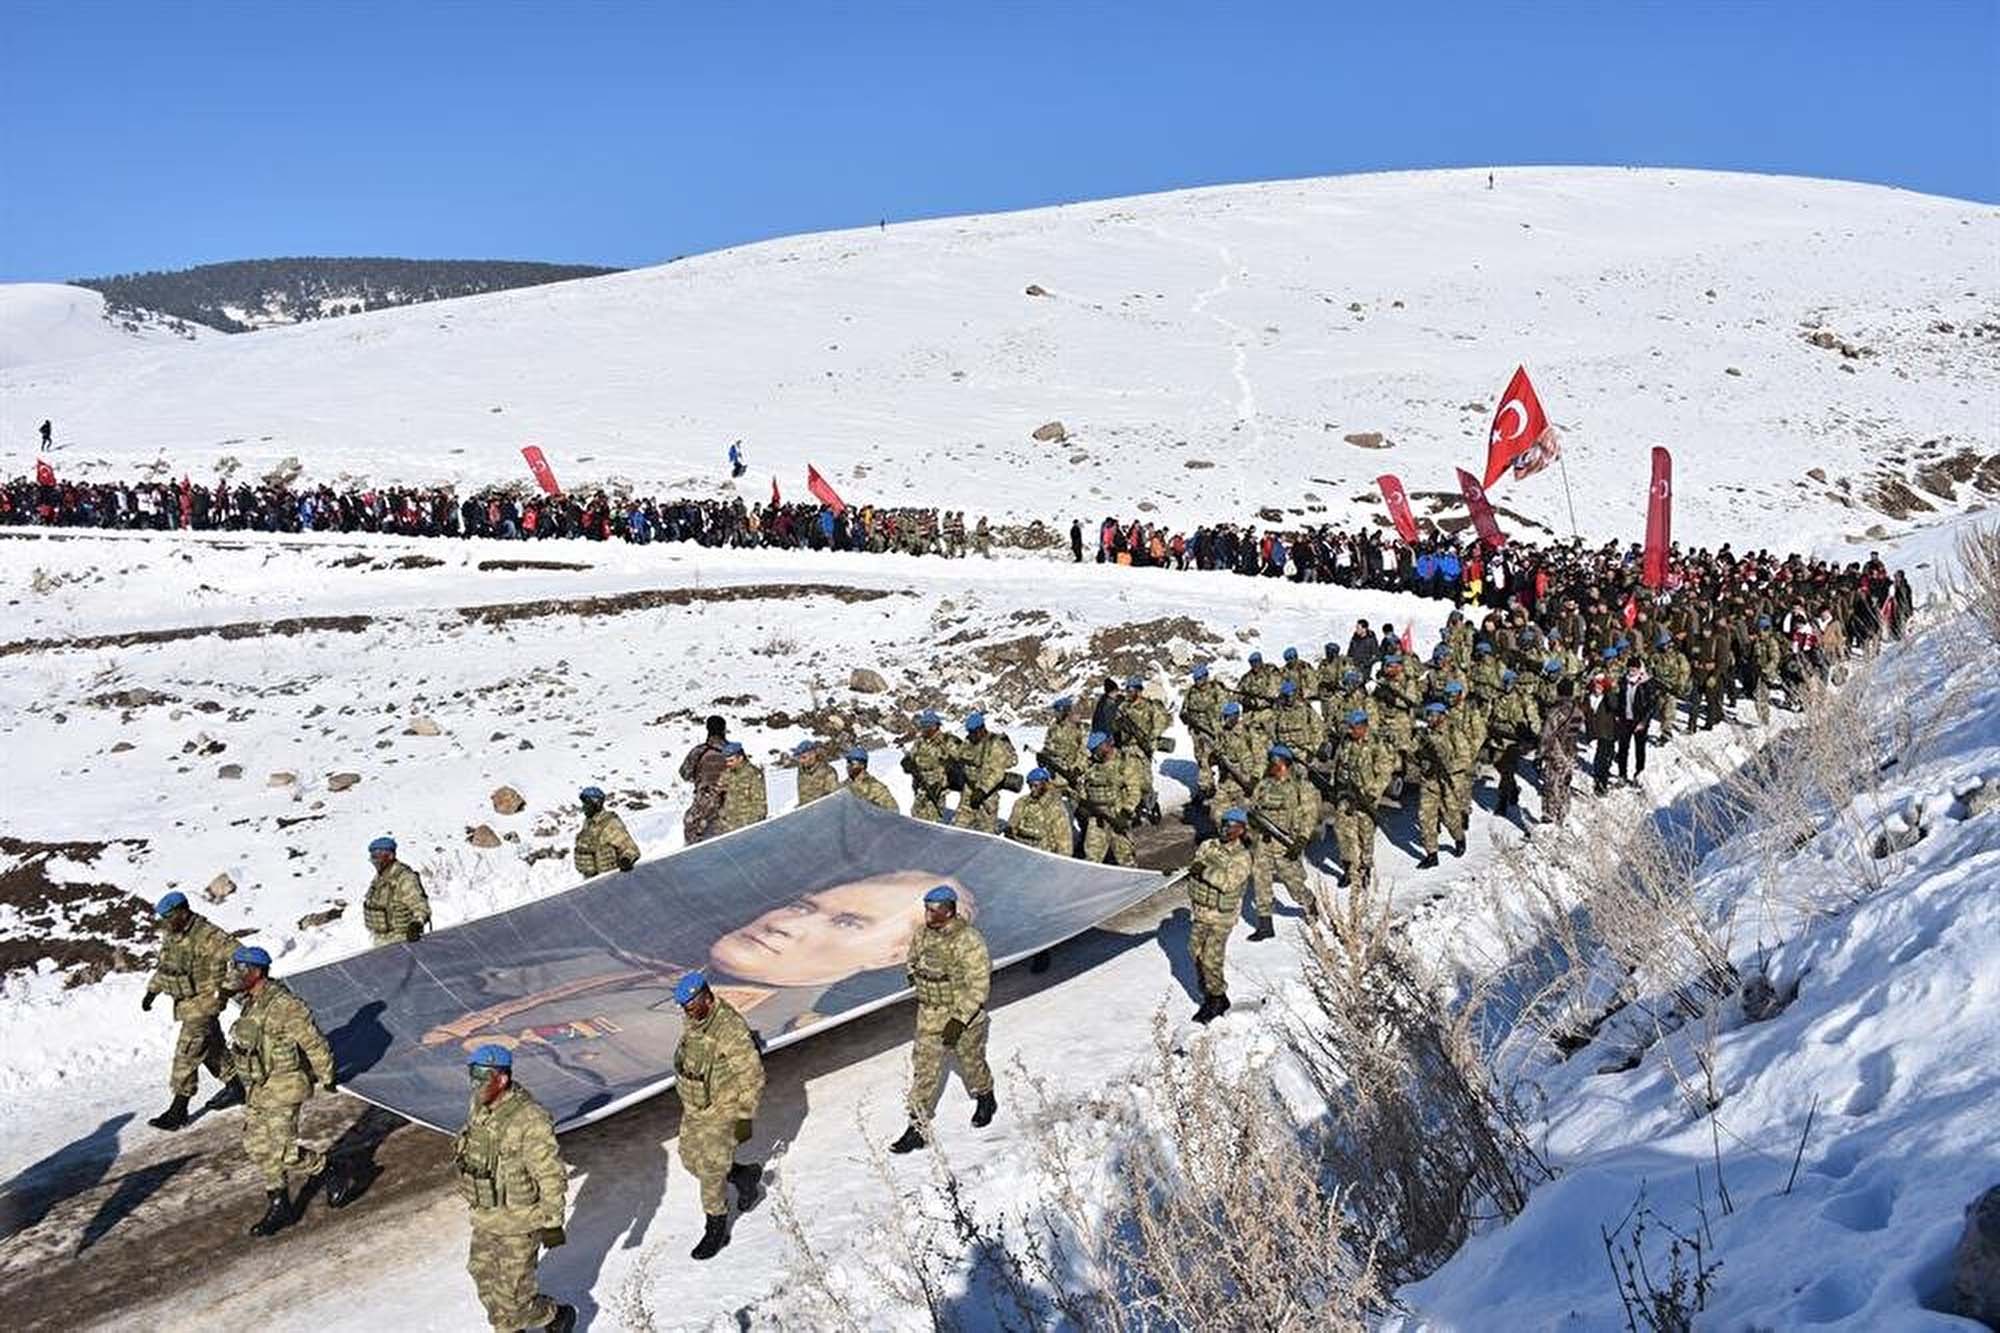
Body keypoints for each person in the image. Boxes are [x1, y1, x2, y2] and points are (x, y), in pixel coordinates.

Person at [454, 1045, 576, 1332]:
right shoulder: (479, 1104)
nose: (476, 1084)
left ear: (502, 1079)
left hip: (521, 1222)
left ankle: (556, 1316)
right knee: (484, 1280)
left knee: (513, 1302)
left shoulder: (530, 1119)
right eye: (473, 1075)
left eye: (483, 1077)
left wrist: (553, 1224)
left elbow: (550, 1175)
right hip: (486, 1216)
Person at [227, 945, 343, 1236]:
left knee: (284, 1151)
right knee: (256, 1145)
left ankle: (329, 1169)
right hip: (258, 1086)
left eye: (240, 969)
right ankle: (280, 1203)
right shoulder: (251, 1001)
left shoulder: (285, 1005)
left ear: (257, 972)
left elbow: (313, 1042)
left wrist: (326, 1075)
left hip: (285, 1084)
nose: (234, 974)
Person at [889, 885, 995, 1152]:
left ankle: (985, 1096)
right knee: (924, 1070)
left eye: (935, 910)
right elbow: (912, 959)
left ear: (950, 910)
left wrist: (959, 1020)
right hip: (929, 1014)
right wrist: (915, 975)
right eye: (927, 909)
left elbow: (979, 985)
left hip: (962, 1014)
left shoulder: (969, 940)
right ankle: (917, 1128)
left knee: (971, 1062)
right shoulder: (923, 935)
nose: (929, 914)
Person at [671, 971, 766, 1261]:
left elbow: (753, 1075)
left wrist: (745, 1117)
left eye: (689, 1005)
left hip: (723, 1108)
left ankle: (716, 1228)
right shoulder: (696, 1019)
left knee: (712, 1171)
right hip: (697, 1106)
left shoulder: (729, 1029)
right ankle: (744, 1175)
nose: (686, 1012)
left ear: (706, 998)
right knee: (690, 1159)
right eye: (684, 1007)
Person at [141, 890, 243, 1129]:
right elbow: (167, 966)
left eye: (168, 916)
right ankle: (238, 1085)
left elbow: (242, 957)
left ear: (182, 912)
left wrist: (225, 988)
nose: (165, 922)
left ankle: (178, 1110)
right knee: (211, 1048)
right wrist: (152, 992)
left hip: (205, 1004)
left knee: (188, 1052)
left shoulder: (208, 936)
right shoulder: (173, 934)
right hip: (187, 1003)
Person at [1185, 810, 1252, 1023]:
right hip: (1202, 911)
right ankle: (1214, 991)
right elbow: (1195, 864)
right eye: (1224, 823)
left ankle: (1215, 999)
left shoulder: (1242, 857)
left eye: (1231, 825)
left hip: (1222, 916)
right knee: (1194, 950)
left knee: (1211, 959)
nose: (1225, 828)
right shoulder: (1208, 845)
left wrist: (1204, 870)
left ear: (1241, 829)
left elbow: (1228, 882)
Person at [1246, 744, 1319, 934]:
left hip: (1286, 843)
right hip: (1263, 842)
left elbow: (1310, 814)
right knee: (1261, 882)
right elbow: (1253, 807)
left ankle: (1309, 902)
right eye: (1271, 761)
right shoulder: (1263, 785)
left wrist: (1302, 838)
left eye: (1276, 761)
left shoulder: (1300, 786)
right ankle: (1265, 925)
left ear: (1285, 763)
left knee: (1293, 884)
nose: (1272, 765)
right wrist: (1251, 824)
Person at [1326, 710, 1393, 889]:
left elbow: (1385, 773)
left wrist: (1373, 794)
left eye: (1353, 728)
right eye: (1349, 727)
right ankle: (1349, 868)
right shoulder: (1346, 741)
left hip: (1365, 797)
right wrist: (1334, 785)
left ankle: (1365, 868)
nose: (1350, 731)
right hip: (1345, 794)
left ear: (1363, 727)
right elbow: (1338, 763)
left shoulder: (1376, 744)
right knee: (1343, 831)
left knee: (1365, 833)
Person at [1414, 703, 1471, 868]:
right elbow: (1413, 751)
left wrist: (1447, 767)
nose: (1429, 718)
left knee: (1450, 817)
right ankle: (1431, 854)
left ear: (1442, 716)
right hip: (1429, 782)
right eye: (1428, 714)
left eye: (1433, 715)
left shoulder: (1454, 733)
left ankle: (1459, 838)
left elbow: (1465, 759)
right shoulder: (1424, 734)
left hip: (1447, 781)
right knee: (1425, 818)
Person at [953, 711, 1017, 833]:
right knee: (957, 829)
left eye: (974, 732)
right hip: (968, 793)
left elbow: (997, 773)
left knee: (986, 834)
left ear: (982, 729)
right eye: (970, 732)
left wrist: (982, 790)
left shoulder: (994, 744)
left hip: (987, 796)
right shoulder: (968, 742)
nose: (971, 736)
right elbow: (960, 756)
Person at [362, 835, 430, 947]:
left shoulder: (404, 878)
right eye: (373, 857)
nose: (375, 862)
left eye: (378, 857)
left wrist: (417, 923)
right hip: (381, 940)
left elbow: (420, 905)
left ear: (390, 856)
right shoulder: (380, 877)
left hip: (401, 940)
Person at [678, 716, 732, 844]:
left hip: (706, 799)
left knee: (691, 822)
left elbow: (684, 774)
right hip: (732, 797)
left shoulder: (699, 751)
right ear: (724, 730)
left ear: (707, 729)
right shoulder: (734, 750)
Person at [1538, 680, 1582, 826]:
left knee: (1551, 786)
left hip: (1555, 755)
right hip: (1569, 753)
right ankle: (1562, 817)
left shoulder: (1555, 711)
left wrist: (1540, 754)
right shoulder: (1577, 710)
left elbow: (1546, 734)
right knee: (1565, 785)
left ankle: (1549, 819)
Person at [1004, 767, 1073, 856]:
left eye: (1036, 785)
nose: (1032, 789)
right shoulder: (1022, 802)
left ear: (1045, 784)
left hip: (1043, 857)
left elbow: (1064, 840)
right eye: (1030, 786)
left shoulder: (1055, 807)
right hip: (1020, 853)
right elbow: (1012, 828)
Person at [572, 786, 640, 877]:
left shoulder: (610, 824)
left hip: (610, 879)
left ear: (596, 803)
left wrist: (626, 860)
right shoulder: (588, 824)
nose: (584, 807)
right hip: (591, 880)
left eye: (587, 804)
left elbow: (631, 849)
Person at [902, 710, 954, 822]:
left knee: (933, 818)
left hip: (936, 786)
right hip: (920, 783)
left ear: (934, 726)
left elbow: (955, 762)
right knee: (916, 814)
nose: (923, 729)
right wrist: (907, 763)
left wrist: (944, 779)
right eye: (922, 725)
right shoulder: (920, 741)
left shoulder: (946, 741)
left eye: (926, 726)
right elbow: (912, 756)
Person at [713, 742, 768, 833]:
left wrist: (753, 826)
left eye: (731, 761)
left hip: (746, 826)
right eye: (726, 761)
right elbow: (718, 795)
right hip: (728, 825)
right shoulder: (727, 774)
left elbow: (760, 805)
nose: (728, 764)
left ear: (740, 758)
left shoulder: (753, 774)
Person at [841, 746, 899, 811]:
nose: (847, 766)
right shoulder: (844, 785)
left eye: (851, 763)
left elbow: (893, 810)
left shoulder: (876, 787)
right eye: (847, 763)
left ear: (862, 765)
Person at [792, 738, 839, 806]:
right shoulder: (802, 771)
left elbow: (832, 798)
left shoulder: (828, 772)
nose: (801, 761)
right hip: (807, 812)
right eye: (799, 758)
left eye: (804, 757)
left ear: (813, 755)